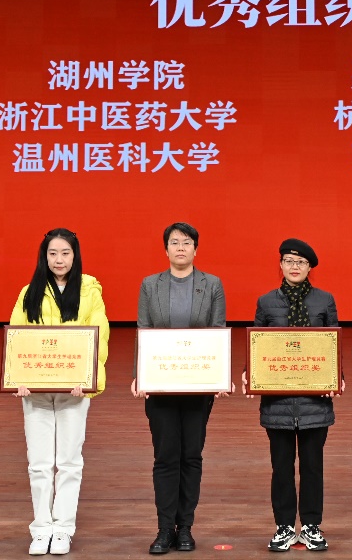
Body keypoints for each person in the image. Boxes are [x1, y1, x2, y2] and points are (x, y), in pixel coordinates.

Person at [9, 229, 110, 556]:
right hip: (35, 391)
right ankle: (41, 530)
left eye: (65, 253)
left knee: (69, 462)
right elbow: (17, 337)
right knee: (38, 463)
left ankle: (63, 528)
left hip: (74, 390)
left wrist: (88, 377)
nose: (59, 259)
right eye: (52, 253)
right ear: (44, 256)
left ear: (75, 255)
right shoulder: (29, 292)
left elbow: (100, 337)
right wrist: (17, 377)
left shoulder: (89, 290)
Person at [132, 222, 228, 555]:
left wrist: (219, 376)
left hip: (198, 386)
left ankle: (185, 527)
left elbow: (217, 331)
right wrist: (140, 375)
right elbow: (143, 330)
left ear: (195, 249)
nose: (181, 248)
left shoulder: (212, 284)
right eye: (174, 242)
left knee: (191, 456)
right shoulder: (150, 284)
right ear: (166, 249)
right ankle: (164, 529)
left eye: (187, 243)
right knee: (165, 456)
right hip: (160, 384)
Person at [250, 238, 340, 553]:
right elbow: (257, 347)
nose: (294, 266)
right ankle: (285, 526)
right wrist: (252, 374)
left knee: (313, 466)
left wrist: (335, 378)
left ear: (309, 267)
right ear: (280, 265)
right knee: (281, 467)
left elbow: (333, 347)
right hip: (277, 402)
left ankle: (312, 525)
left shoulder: (325, 300)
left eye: (300, 262)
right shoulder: (266, 302)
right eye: (289, 261)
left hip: (315, 402)